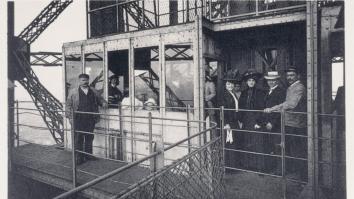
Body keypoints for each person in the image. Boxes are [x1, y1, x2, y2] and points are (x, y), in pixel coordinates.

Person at [264, 67, 307, 180]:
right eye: (288, 75)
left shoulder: (299, 87)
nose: (289, 77)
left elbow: (291, 104)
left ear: (298, 76)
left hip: (296, 124)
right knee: (290, 149)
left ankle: (304, 177)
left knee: (298, 150)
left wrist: (273, 108)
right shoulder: (291, 87)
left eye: (292, 75)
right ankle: (298, 175)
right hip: (289, 123)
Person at [66, 73, 108, 165]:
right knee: (78, 138)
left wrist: (104, 103)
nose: (85, 82)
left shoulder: (93, 90)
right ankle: (79, 157)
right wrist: (70, 117)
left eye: (86, 80)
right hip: (78, 118)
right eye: (83, 80)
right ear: (79, 81)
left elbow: (100, 100)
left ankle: (88, 155)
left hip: (90, 118)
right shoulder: (73, 92)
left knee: (89, 137)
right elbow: (68, 105)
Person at [239, 68, 265, 172]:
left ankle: (259, 167)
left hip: (256, 120)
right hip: (246, 120)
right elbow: (241, 107)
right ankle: (248, 165)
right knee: (247, 141)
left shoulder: (260, 93)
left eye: (253, 81)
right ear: (246, 82)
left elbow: (262, 107)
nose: (251, 82)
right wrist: (240, 120)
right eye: (249, 81)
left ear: (255, 82)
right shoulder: (244, 93)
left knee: (258, 142)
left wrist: (258, 122)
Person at [262, 70, 286, 173]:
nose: (271, 82)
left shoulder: (280, 91)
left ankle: (280, 170)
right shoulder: (268, 91)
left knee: (278, 146)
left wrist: (272, 122)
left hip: (275, 124)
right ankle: (273, 168)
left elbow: (279, 109)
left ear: (277, 80)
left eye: (273, 80)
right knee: (271, 145)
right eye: (268, 80)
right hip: (268, 123)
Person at [222, 69, 242, 172]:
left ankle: (234, 165)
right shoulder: (224, 95)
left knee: (234, 142)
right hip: (229, 122)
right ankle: (230, 167)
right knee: (230, 143)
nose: (230, 86)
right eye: (228, 84)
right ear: (225, 85)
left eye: (232, 84)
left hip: (234, 121)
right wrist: (226, 123)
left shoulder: (232, 94)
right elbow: (222, 110)